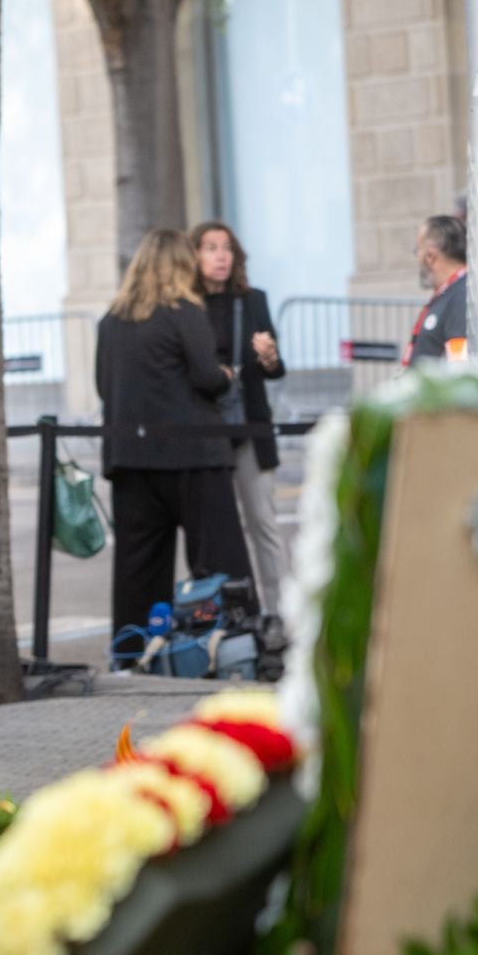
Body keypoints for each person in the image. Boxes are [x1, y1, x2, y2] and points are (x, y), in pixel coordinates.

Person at [96, 229, 256, 641]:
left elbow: (103, 386)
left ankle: (133, 647)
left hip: (131, 456)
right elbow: (207, 377)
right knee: (218, 559)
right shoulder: (185, 313)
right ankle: (232, 642)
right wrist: (226, 375)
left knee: (138, 567)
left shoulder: (111, 321)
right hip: (194, 453)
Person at [191, 222, 288, 643]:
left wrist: (269, 357)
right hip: (204, 434)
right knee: (214, 529)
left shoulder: (253, 301)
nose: (221, 256)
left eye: (227, 248)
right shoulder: (186, 306)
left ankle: (279, 615)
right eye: (211, 247)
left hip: (249, 426)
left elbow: (276, 370)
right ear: (194, 255)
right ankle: (222, 616)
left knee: (263, 521)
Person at [405, 214, 468, 367]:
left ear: (430, 256)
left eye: (417, 250)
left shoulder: (462, 295)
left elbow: (459, 364)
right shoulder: (449, 294)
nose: (417, 257)